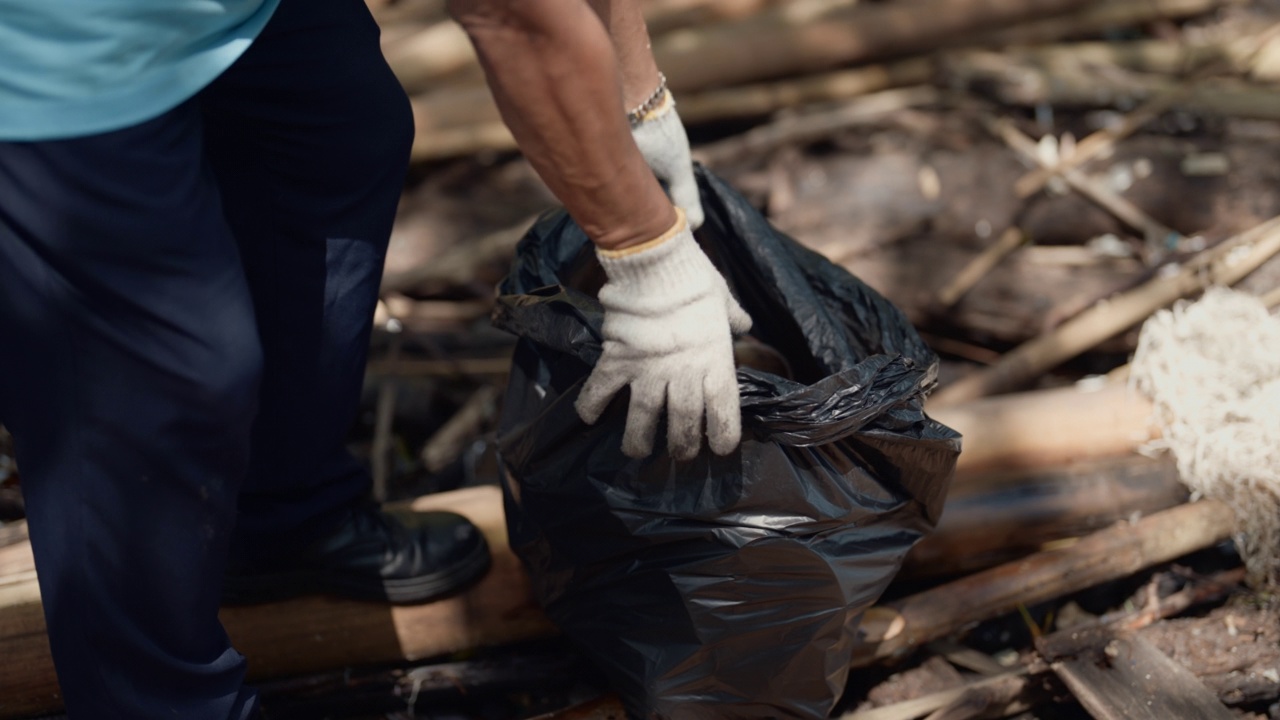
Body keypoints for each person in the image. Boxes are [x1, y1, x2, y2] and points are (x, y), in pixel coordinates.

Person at [0, 0, 748, 717]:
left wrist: (635, 96)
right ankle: (158, 701)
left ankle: (277, 518)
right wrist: (647, 257)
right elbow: (515, 12)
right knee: (154, 373)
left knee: (339, 137)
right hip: (47, 56)